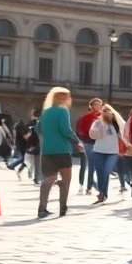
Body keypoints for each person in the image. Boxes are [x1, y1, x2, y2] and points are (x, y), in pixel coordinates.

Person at [36, 87, 82, 218]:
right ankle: (63, 208)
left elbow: (37, 128)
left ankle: (42, 208)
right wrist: (77, 141)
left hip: (47, 150)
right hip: (62, 149)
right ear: (62, 98)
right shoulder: (63, 110)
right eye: (67, 96)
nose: (69, 98)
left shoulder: (45, 112)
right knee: (66, 179)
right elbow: (65, 130)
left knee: (49, 178)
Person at [88, 104, 128, 204]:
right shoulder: (97, 122)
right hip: (99, 151)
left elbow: (124, 134)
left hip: (113, 152)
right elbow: (92, 133)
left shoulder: (116, 123)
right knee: (100, 173)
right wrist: (99, 127)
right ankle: (102, 194)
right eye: (104, 110)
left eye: (107, 110)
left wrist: (127, 146)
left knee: (106, 171)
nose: (106, 112)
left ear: (112, 112)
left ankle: (102, 193)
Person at [74, 98, 103, 195]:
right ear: (92, 106)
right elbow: (80, 131)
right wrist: (83, 140)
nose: (98, 107)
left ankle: (91, 185)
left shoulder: (103, 117)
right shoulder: (86, 117)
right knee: (91, 165)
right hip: (89, 143)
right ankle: (90, 187)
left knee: (96, 166)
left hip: (100, 144)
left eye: (100, 105)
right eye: (96, 105)